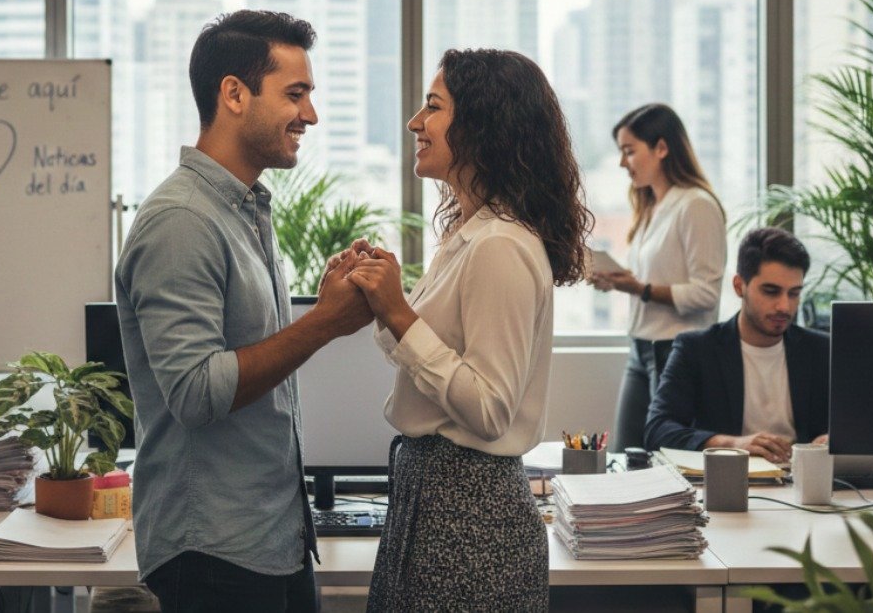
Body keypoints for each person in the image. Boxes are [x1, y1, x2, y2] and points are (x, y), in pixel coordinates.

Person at [114, 10, 373, 613]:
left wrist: (323, 302)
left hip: (271, 538)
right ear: (233, 93)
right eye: (295, 94)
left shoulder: (242, 209)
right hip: (213, 552)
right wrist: (323, 323)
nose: (310, 115)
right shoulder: (182, 222)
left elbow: (247, 353)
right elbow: (198, 393)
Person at [340, 49, 592, 611]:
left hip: (467, 512)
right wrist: (384, 304)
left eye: (432, 107)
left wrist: (401, 315)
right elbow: (428, 362)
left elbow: (489, 407)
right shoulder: (469, 234)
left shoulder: (499, 245)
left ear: (482, 126)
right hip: (433, 496)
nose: (414, 124)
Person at [591, 103, 726, 452]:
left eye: (629, 151)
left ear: (662, 148)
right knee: (626, 454)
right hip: (641, 347)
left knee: (666, 459)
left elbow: (706, 294)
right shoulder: (651, 207)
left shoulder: (696, 206)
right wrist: (620, 281)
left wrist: (639, 288)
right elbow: (656, 277)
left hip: (674, 353)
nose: (623, 163)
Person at [644, 227, 828, 463]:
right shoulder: (697, 349)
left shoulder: (821, 350)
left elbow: (852, 424)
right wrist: (732, 444)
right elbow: (657, 430)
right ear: (739, 286)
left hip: (802, 483)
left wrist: (833, 440)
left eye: (794, 293)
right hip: (727, 480)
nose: (784, 306)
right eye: (771, 291)